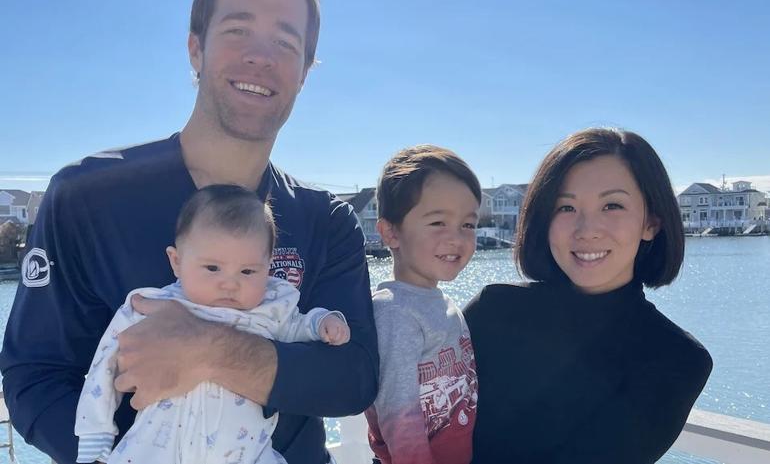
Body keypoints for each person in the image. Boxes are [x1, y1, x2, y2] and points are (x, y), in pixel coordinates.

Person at [0, 0, 378, 463]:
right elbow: (35, 374)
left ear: (304, 71)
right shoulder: (83, 197)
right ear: (195, 48)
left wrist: (210, 349)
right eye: (238, 30)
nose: (261, 56)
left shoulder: (328, 219)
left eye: (285, 42)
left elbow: (353, 377)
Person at [464, 128, 713, 464]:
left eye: (612, 205)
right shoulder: (492, 312)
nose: (586, 230)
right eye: (566, 207)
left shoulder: (677, 359)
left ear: (651, 223)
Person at [75, 185, 351, 464]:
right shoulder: (149, 307)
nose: (230, 283)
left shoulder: (272, 308)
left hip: (246, 455)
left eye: (247, 271)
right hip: (156, 451)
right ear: (177, 261)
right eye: (212, 268)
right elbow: (104, 366)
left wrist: (322, 321)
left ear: (268, 267)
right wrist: (95, 434)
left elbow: (298, 325)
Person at [364, 145, 480, 464]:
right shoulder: (395, 313)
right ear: (391, 232)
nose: (456, 238)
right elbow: (400, 418)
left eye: (468, 225)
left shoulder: (441, 303)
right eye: (438, 222)